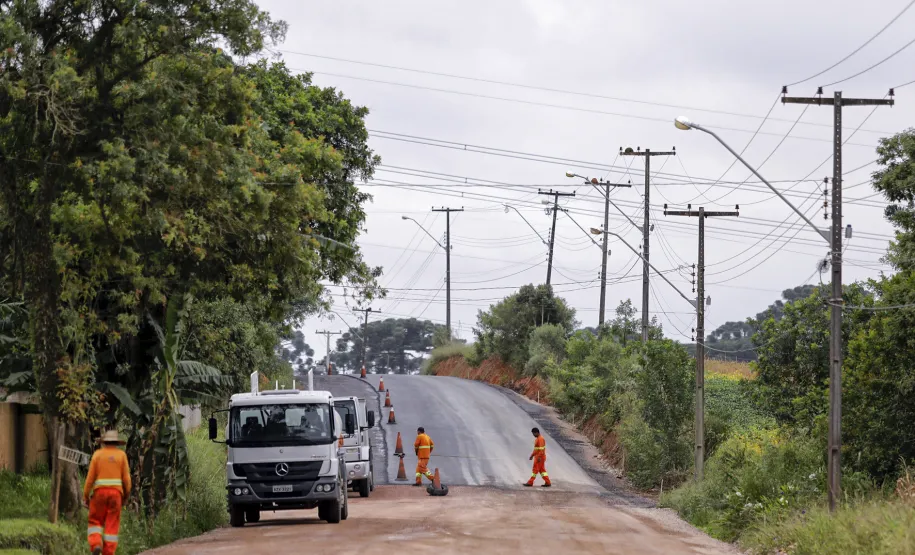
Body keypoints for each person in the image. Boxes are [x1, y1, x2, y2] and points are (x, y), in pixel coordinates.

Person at [84, 430, 131, 555]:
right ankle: (108, 552)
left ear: (104, 442)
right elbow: (127, 480)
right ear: (116, 442)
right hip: (116, 495)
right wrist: (126, 496)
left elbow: (90, 479)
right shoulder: (121, 455)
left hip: (99, 494)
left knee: (95, 521)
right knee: (112, 525)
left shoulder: (97, 455)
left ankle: (96, 544)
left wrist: (86, 496)